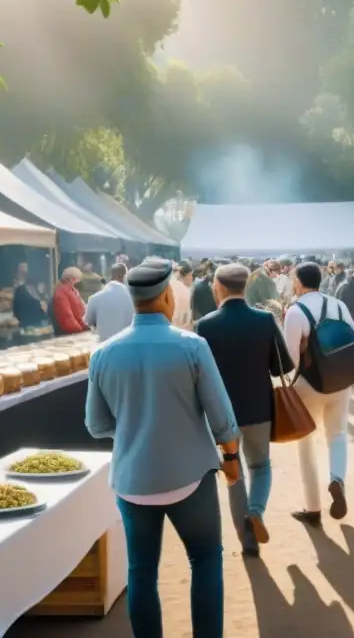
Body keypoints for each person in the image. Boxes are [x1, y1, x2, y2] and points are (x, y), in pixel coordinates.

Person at [85, 258, 240, 638]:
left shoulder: (103, 354)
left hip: (133, 481)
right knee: (205, 560)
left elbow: (96, 425)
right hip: (191, 478)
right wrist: (232, 457)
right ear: (167, 296)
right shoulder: (192, 346)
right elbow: (221, 416)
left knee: (141, 571)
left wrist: (136, 428)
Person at [197, 264, 293, 557]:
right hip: (259, 408)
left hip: (221, 413)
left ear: (219, 288)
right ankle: (256, 512)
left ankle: (246, 538)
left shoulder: (206, 325)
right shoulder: (264, 320)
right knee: (260, 466)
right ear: (246, 286)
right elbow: (283, 367)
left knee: (233, 471)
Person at [283, 262, 354, 526]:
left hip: (309, 384)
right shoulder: (338, 305)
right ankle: (337, 478)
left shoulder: (296, 311)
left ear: (299, 282)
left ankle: (313, 508)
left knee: (306, 444)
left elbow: (290, 360)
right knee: (337, 435)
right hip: (341, 381)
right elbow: (353, 339)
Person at [85, 263, 135, 343]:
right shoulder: (135, 299)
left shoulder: (94, 298)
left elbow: (88, 321)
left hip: (104, 345)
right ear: (125, 276)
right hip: (127, 344)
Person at [53, 266, 88, 335]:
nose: (79, 282)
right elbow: (67, 316)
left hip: (79, 330)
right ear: (71, 280)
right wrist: (80, 330)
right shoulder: (61, 293)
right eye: (78, 280)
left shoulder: (73, 291)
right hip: (71, 334)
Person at [12, 262, 48, 328]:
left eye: (25, 273)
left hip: (40, 325)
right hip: (28, 325)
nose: (24, 275)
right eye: (21, 273)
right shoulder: (20, 290)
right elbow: (16, 311)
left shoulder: (41, 287)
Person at [170, 261, 194, 330]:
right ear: (187, 274)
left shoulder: (170, 287)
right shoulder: (184, 291)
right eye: (191, 274)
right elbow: (185, 319)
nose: (192, 278)